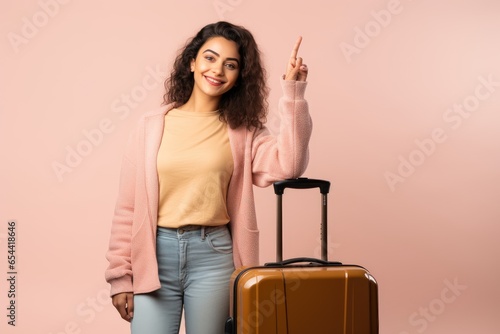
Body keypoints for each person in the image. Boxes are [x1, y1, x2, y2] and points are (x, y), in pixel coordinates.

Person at [105, 21, 311, 334]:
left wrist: (293, 92)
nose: (217, 70)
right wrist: (121, 276)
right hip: (154, 254)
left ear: (240, 75)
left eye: (231, 64)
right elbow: (127, 208)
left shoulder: (244, 131)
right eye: (210, 58)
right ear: (192, 61)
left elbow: (290, 164)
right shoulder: (149, 127)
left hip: (214, 256)